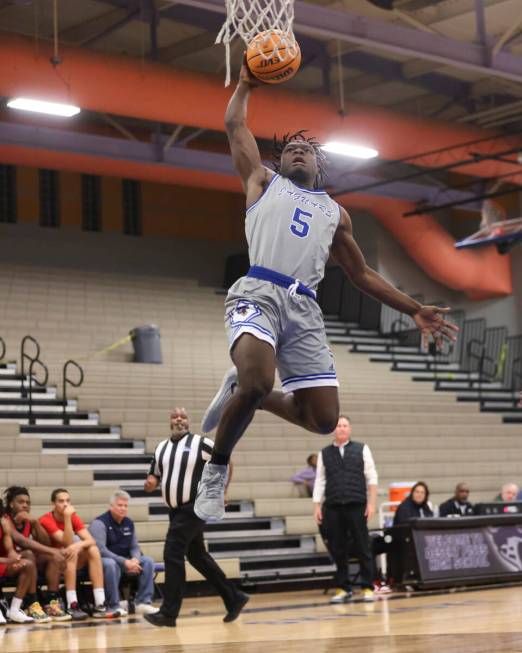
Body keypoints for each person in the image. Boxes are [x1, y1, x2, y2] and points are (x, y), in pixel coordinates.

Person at [194, 58, 459, 522]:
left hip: (305, 309)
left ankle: (239, 387)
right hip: (259, 291)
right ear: (280, 160)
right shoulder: (261, 181)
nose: (298, 152)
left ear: (319, 165)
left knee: (321, 419)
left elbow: (362, 275)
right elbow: (235, 123)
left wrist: (413, 308)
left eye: (306, 150)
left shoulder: (336, 213)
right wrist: (244, 85)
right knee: (260, 381)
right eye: (291, 148)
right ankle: (216, 470)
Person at [142, 408, 249, 628]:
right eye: (174, 416)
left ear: (188, 422)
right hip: (175, 511)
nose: (179, 418)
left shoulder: (200, 443)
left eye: (183, 416)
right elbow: (155, 474)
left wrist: (222, 491)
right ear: (170, 421)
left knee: (172, 553)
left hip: (194, 507)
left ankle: (168, 613)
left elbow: (226, 461)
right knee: (198, 556)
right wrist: (151, 482)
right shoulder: (161, 447)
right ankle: (234, 598)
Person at [312, 415, 377, 603]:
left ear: (350, 429)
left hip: (357, 504)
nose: (341, 428)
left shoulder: (362, 449)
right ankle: (343, 587)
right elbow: (320, 480)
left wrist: (371, 503)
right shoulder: (324, 453)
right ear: (334, 429)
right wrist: (317, 505)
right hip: (332, 506)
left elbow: (371, 477)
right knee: (338, 548)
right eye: (338, 425)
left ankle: (367, 587)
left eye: (344, 425)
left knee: (363, 546)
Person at [39, 488, 112, 620]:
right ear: (53, 504)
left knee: (92, 549)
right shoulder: (46, 519)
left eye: (68, 501)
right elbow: (66, 541)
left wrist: (77, 545)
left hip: (69, 560)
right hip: (52, 564)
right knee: (71, 551)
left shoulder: (74, 517)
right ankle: (72, 604)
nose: (65, 504)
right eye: (61, 501)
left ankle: (100, 604)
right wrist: (67, 518)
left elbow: (91, 540)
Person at [3, 486, 69, 621]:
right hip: (6, 561)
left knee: (52, 558)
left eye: (27, 503)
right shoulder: (5, 519)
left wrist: (35, 523)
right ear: (11, 504)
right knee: (29, 553)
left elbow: (45, 542)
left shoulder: (29, 521)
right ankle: (32, 603)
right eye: (20, 502)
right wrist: (53, 550)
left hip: (25, 562)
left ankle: (51, 602)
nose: (25, 505)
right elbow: (23, 542)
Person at [89, 490, 159, 616]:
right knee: (110, 564)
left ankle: (143, 603)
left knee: (147, 561)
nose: (123, 508)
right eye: (120, 505)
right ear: (111, 506)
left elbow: (134, 547)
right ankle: (113, 605)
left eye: (125, 506)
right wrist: (124, 562)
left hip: (126, 561)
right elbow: (101, 550)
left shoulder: (129, 522)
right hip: (105, 561)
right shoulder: (99, 523)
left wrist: (135, 560)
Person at [0, 504, 36, 624]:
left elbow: (10, 550)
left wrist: (16, 560)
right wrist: (10, 561)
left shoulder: (3, 522)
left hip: (2, 562)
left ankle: (14, 610)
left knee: (28, 565)